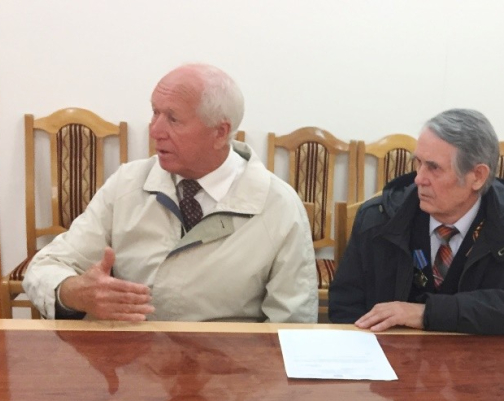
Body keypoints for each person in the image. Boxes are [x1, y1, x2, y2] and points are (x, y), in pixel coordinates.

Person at [24, 63, 318, 323]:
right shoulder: (127, 185)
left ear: (219, 132)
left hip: (230, 364)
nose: (155, 130)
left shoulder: (278, 205)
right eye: (155, 112)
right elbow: (46, 267)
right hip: (134, 359)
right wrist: (73, 292)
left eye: (173, 119)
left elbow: (293, 325)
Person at [329, 108, 504, 334]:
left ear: (477, 176)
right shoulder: (378, 220)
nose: (419, 179)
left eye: (434, 167)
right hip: (389, 352)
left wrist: (427, 313)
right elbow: (344, 309)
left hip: (477, 355)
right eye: (418, 163)